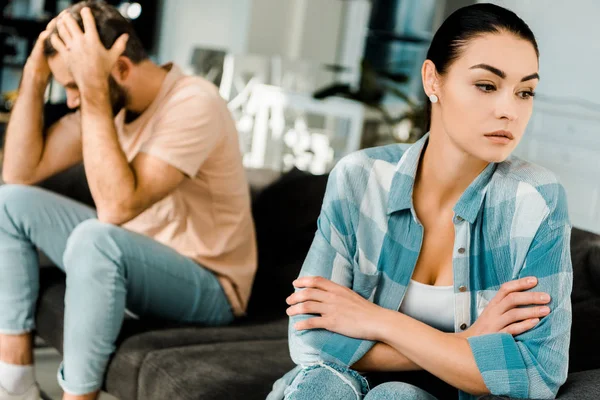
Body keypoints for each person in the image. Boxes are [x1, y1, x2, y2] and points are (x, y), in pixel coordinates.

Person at [268, 3, 572, 400]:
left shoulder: (536, 201)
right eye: (486, 85)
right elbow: (310, 343)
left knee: (395, 396)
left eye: (525, 92)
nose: (508, 111)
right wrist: (468, 343)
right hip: (340, 387)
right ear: (433, 80)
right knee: (322, 383)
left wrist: (378, 321)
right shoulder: (359, 177)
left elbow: (537, 375)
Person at [0, 1, 257, 400]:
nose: (71, 100)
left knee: (94, 236)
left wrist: (93, 89)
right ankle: (15, 384)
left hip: (208, 283)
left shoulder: (194, 102)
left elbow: (115, 209)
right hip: (133, 256)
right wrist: (34, 74)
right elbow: (18, 174)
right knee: (8, 203)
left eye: (74, 86)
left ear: (120, 68)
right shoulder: (111, 105)